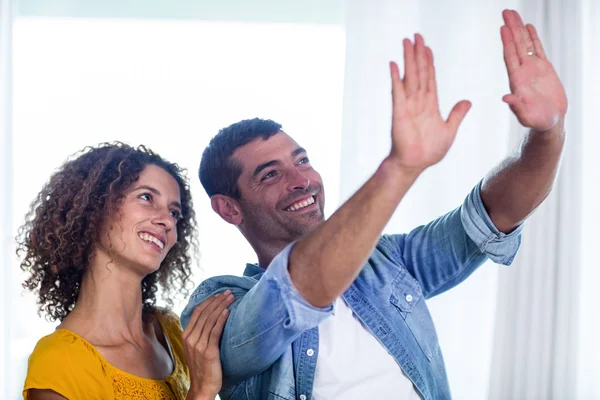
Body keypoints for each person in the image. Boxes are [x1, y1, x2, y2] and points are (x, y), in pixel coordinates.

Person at [181, 9, 567, 400]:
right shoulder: (221, 303)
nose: (302, 182)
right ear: (229, 208)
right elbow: (296, 288)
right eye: (270, 174)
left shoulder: (387, 262)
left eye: (302, 161)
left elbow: (493, 215)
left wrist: (547, 133)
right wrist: (400, 168)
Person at [18, 143, 233, 400]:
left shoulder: (173, 331)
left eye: (174, 212)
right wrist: (201, 391)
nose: (166, 220)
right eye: (146, 197)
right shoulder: (57, 365)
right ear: (95, 208)